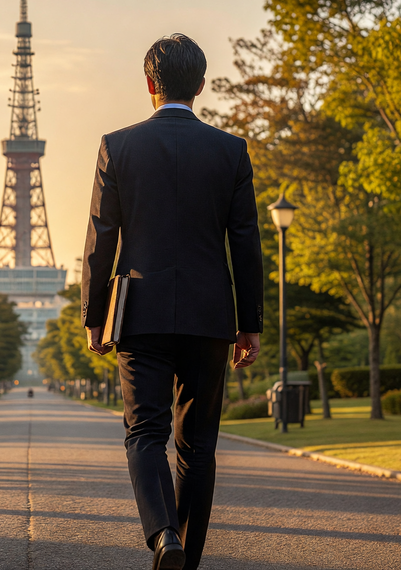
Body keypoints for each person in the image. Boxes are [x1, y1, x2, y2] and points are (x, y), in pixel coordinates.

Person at [80, 33, 264, 570]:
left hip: (139, 314)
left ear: (148, 84)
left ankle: (164, 538)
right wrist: (248, 323)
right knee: (198, 444)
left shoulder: (117, 146)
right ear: (202, 85)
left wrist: (95, 316)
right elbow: (246, 241)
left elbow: (101, 238)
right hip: (210, 317)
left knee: (144, 433)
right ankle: (188, 554)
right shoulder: (231, 150)